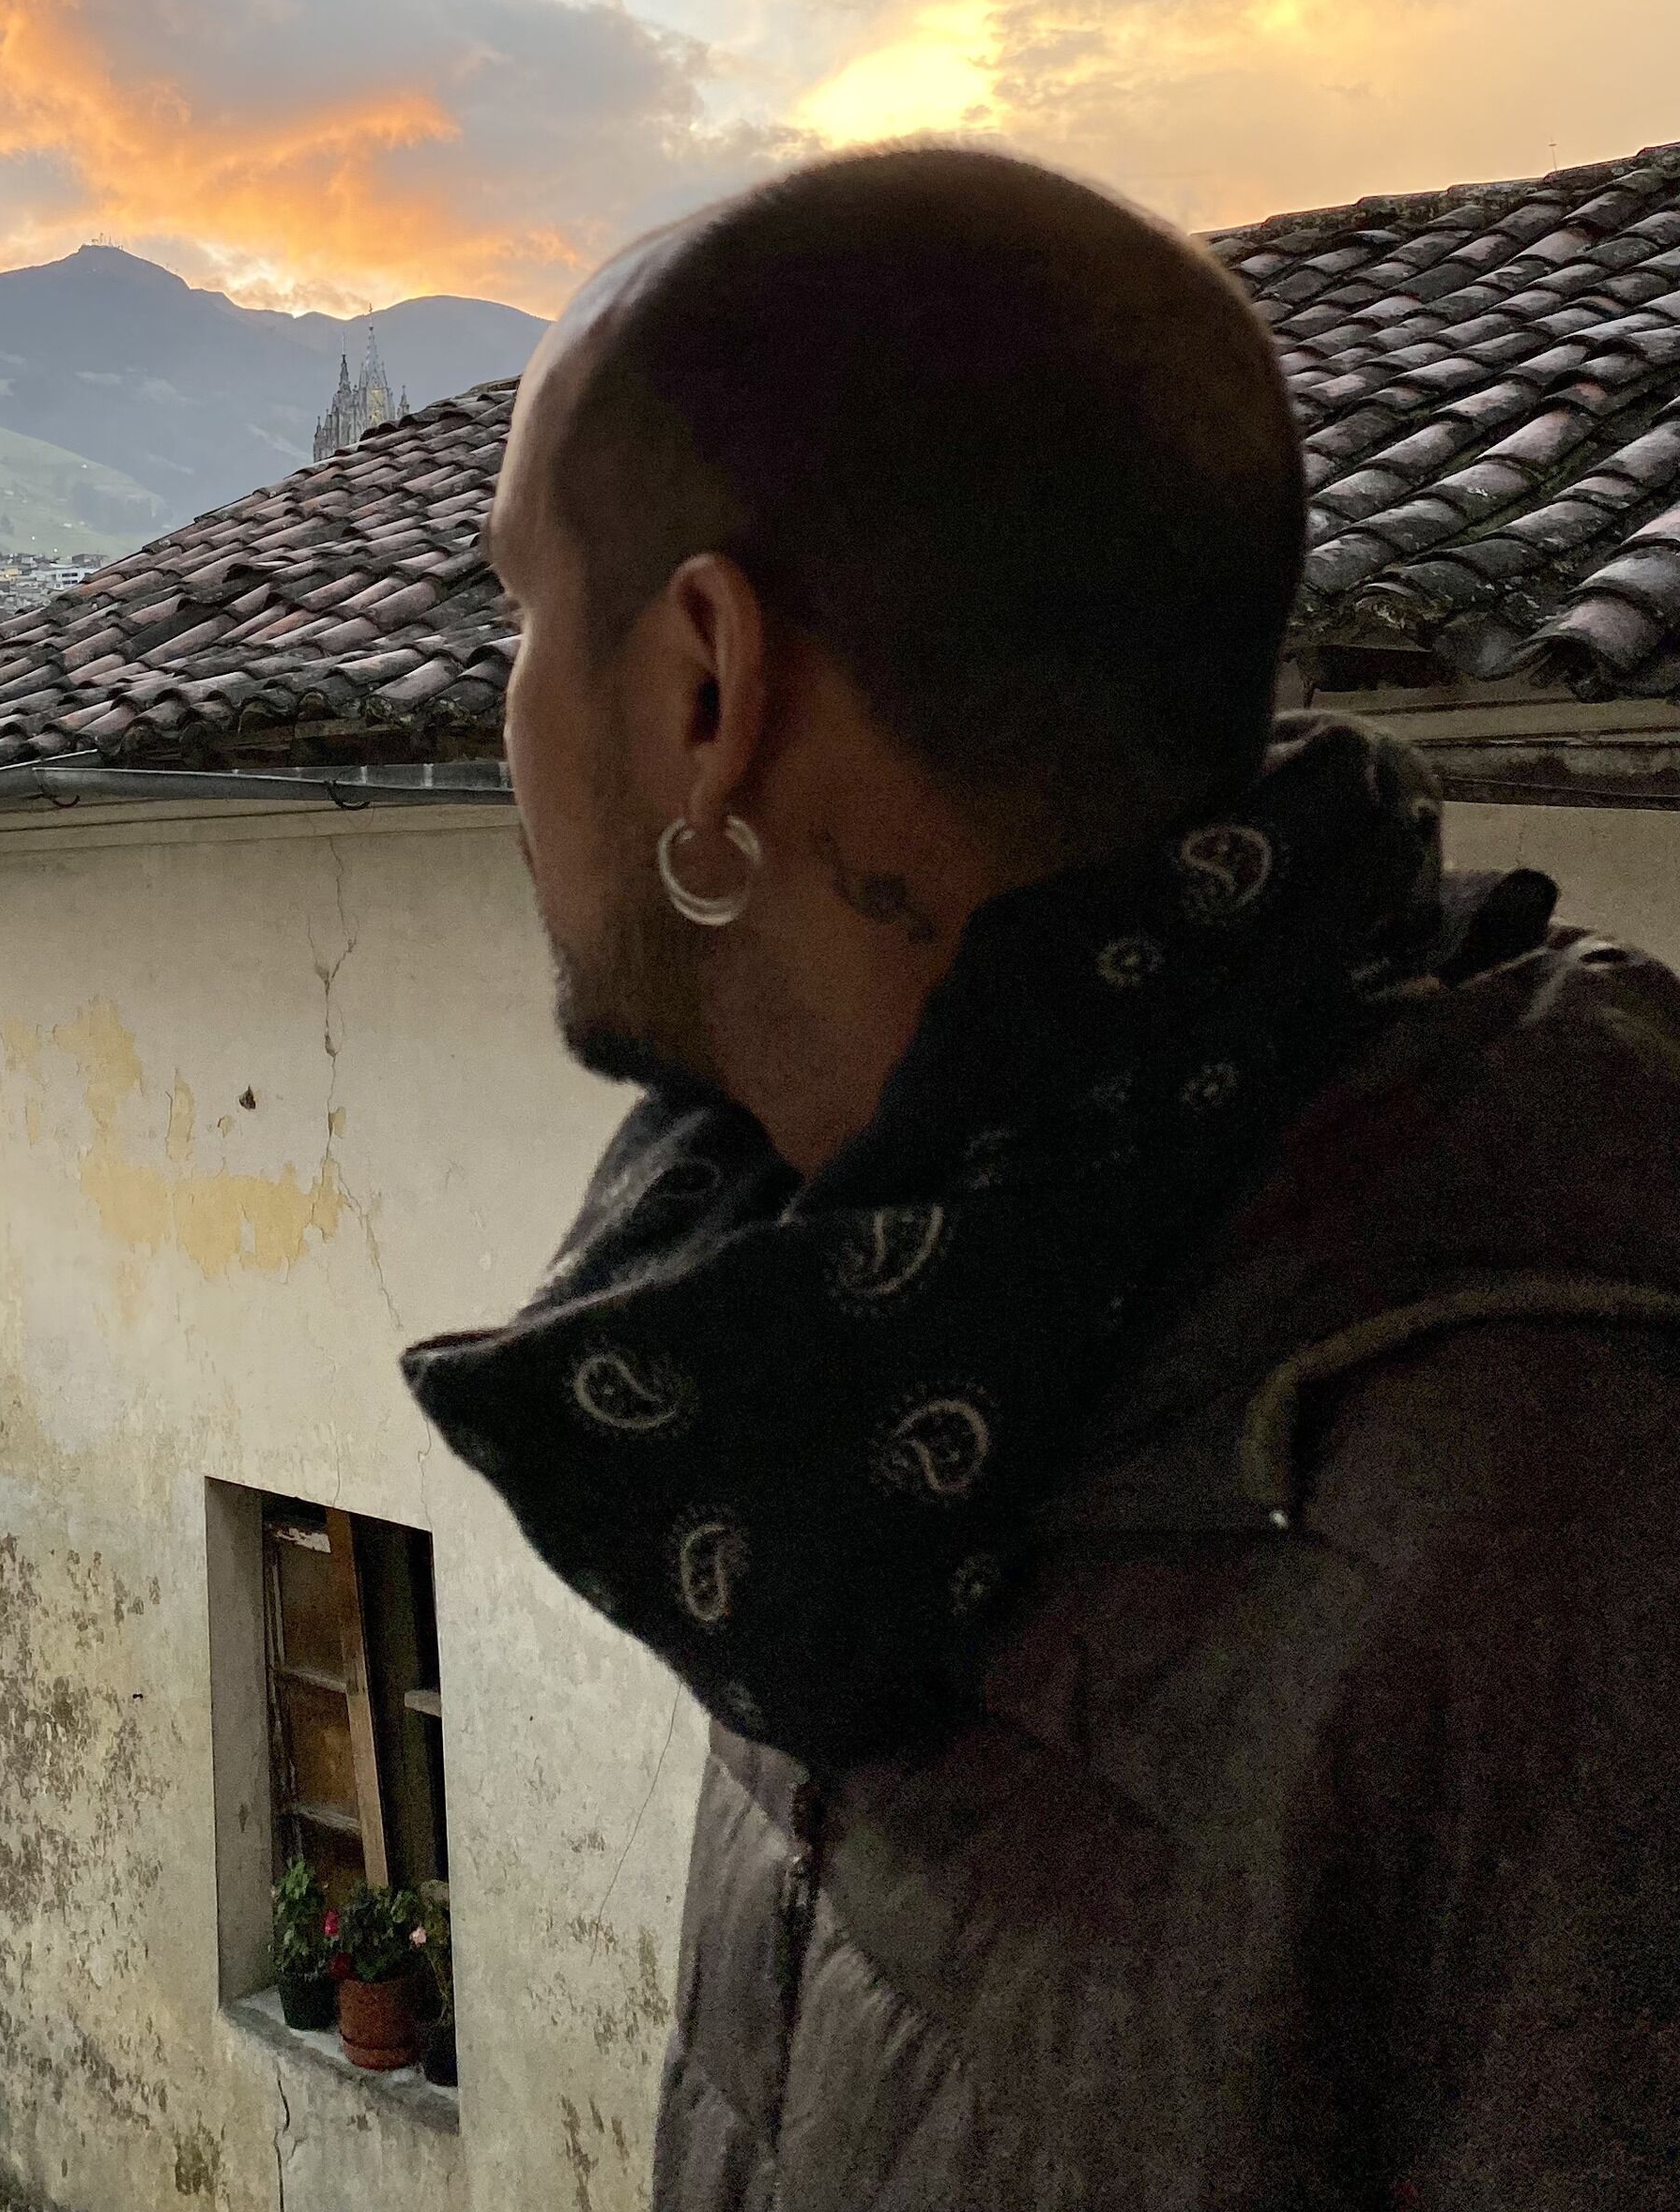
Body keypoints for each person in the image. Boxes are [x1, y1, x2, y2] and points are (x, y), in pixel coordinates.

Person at [402, 146, 1680, 2210]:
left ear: (710, 692)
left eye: (525, 620)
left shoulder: (1561, 1518)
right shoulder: (809, 1345)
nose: (506, 726)